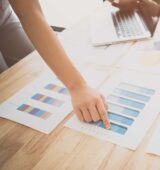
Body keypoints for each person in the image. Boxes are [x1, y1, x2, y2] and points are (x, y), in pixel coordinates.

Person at [0, 0, 110, 129]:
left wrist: (78, 86)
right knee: (4, 89)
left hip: (3, 13)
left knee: (28, 70)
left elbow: (29, 11)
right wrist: (77, 86)